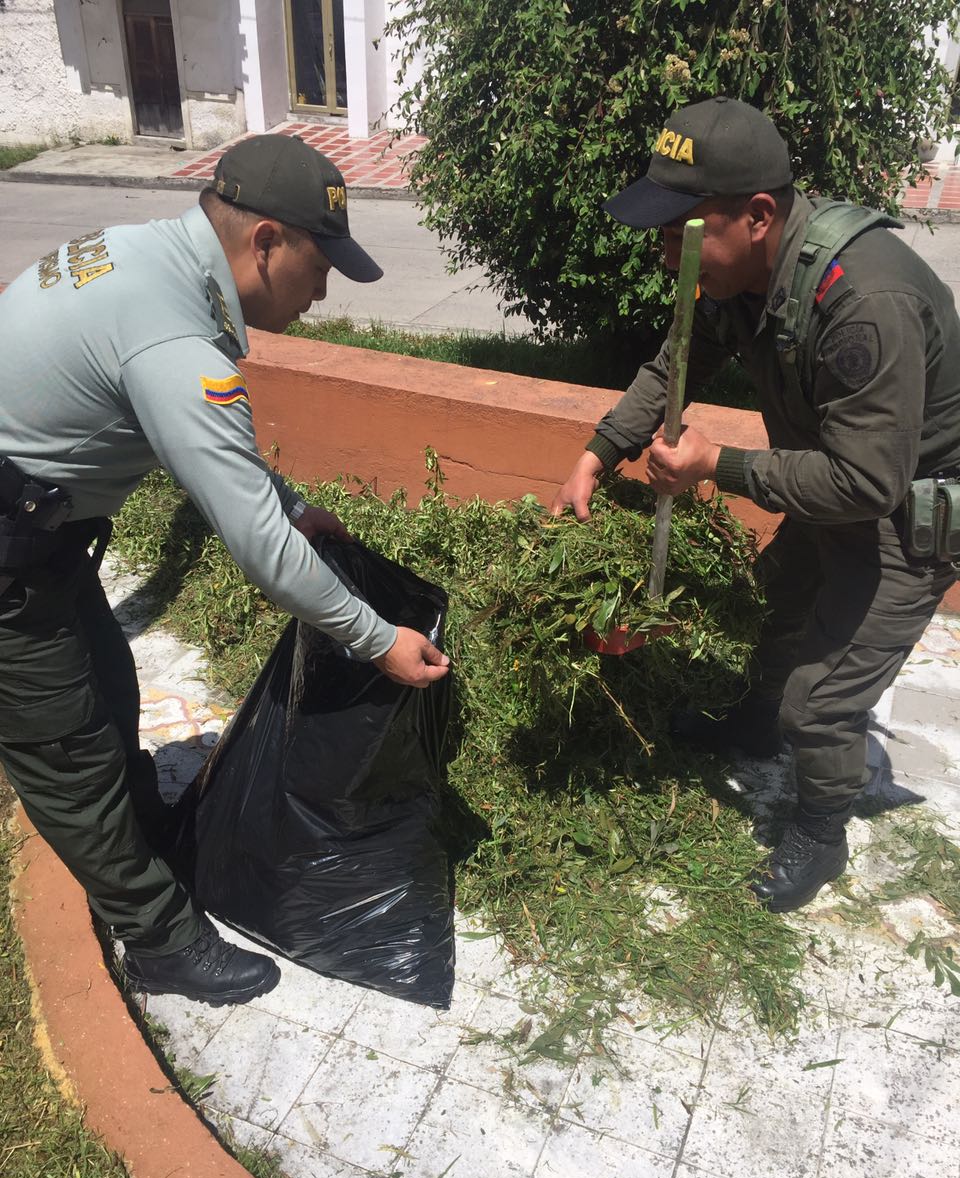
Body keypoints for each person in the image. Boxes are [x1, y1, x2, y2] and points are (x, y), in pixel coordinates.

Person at [0, 134, 450, 1004]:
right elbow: (263, 553)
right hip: (10, 552)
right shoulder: (173, 336)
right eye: (320, 269)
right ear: (267, 242)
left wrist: (288, 502)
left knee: (107, 688)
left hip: (37, 536)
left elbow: (205, 450)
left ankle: (146, 835)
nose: (322, 294)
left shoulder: (149, 258)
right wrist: (374, 640)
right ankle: (160, 942)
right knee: (66, 749)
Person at [553, 96, 960, 913]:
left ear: (759, 215)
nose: (667, 254)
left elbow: (869, 484)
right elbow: (676, 362)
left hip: (909, 515)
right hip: (835, 475)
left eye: (681, 232)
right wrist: (598, 452)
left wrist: (717, 465)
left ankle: (819, 832)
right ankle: (751, 723)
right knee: (773, 603)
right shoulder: (740, 274)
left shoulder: (861, 303)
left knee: (822, 700)